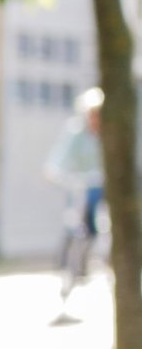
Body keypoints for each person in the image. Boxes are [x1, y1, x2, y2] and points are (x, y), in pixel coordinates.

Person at [49, 87, 108, 281]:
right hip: (83, 193)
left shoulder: (113, 136)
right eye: (93, 114)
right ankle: (72, 268)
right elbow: (56, 165)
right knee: (79, 228)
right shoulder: (76, 134)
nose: (96, 119)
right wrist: (70, 180)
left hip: (105, 193)